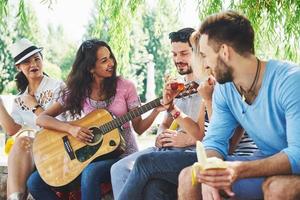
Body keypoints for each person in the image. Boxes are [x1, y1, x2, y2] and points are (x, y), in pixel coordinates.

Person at [116, 29, 257, 200]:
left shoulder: (230, 85)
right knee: (155, 187)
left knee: (144, 163)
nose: (180, 60)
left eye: (193, 54)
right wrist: (172, 108)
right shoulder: (208, 85)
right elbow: (198, 132)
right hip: (208, 154)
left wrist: (209, 101)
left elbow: (226, 143)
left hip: (230, 157)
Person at [177, 10, 300, 200]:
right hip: (266, 163)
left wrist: (239, 169)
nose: (206, 65)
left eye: (205, 55)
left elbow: (297, 155)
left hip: (292, 169)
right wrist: (210, 172)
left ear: (225, 52)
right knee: (189, 177)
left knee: (278, 189)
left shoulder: (291, 81)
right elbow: (215, 141)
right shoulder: (225, 89)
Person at [26, 39, 162, 200]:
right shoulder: (78, 90)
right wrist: (71, 129)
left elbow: (139, 128)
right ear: (90, 67)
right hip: (90, 154)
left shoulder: (126, 87)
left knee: (91, 172)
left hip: (122, 153)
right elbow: (42, 119)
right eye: (104, 60)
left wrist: (156, 110)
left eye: (110, 57)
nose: (111, 63)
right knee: (34, 182)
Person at [111, 27, 205, 200]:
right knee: (118, 168)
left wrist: (189, 139)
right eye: (174, 54)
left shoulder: (207, 84)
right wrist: (161, 135)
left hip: (191, 150)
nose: (178, 59)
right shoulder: (178, 85)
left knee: (152, 181)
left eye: (184, 53)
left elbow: (210, 133)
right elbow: (165, 124)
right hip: (168, 148)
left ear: (198, 52)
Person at [0, 38, 65, 200]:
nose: (33, 64)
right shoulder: (19, 99)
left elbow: (56, 124)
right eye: (27, 62)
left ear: (42, 60)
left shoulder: (58, 86)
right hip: (30, 151)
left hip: (56, 144)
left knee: (25, 139)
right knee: (22, 139)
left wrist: (34, 105)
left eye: (37, 59)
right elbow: (12, 130)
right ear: (19, 67)